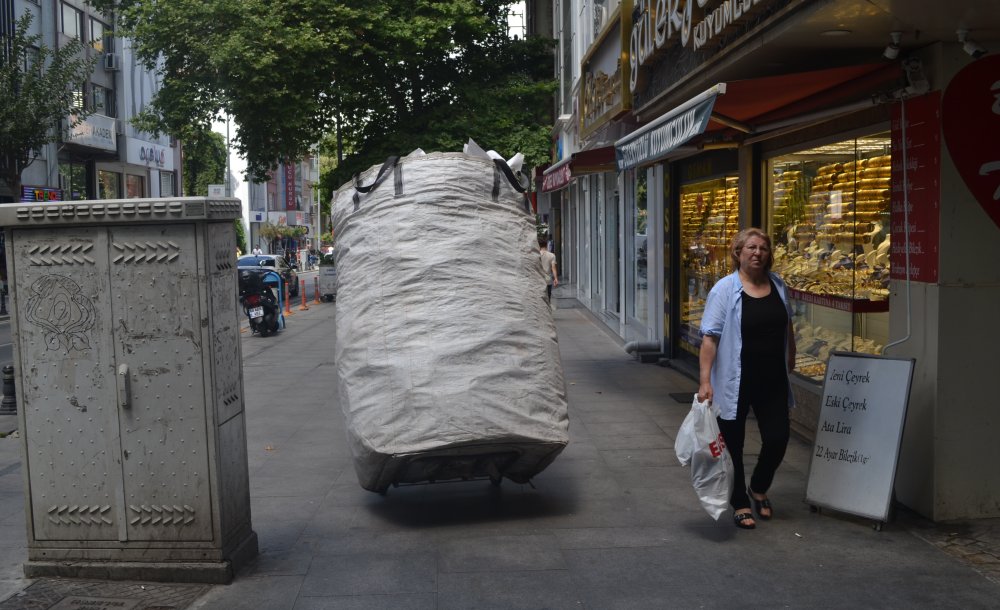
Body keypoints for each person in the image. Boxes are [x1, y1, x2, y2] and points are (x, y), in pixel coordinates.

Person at [697, 227, 796, 530]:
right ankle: (739, 500)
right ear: (738, 253)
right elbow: (709, 338)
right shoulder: (724, 290)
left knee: (778, 438)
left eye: (763, 248)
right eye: (751, 248)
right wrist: (705, 381)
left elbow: (787, 325)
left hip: (773, 378)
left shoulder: (778, 285)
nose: (757, 253)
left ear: (769, 254)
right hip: (734, 379)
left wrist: (791, 354)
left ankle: (759, 486)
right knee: (733, 444)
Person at [539, 237, 558, 304]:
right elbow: (553, 268)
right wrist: (555, 278)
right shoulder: (551, 255)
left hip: (538, 279)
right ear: (546, 244)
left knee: (539, 299)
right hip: (548, 279)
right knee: (548, 299)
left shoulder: (536, 255)